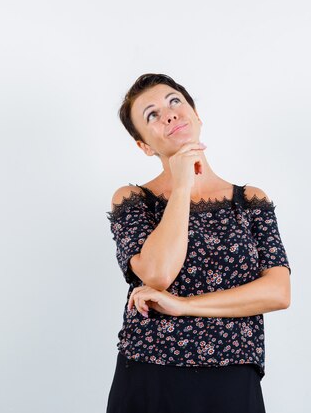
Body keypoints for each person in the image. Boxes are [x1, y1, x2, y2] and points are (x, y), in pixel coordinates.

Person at [105, 73, 292, 413]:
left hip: (233, 375)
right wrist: (181, 186)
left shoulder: (250, 200)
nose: (169, 114)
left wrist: (184, 305)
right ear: (145, 146)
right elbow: (158, 275)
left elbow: (278, 293)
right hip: (151, 372)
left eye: (175, 101)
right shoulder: (133, 199)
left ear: (196, 115)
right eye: (152, 115)